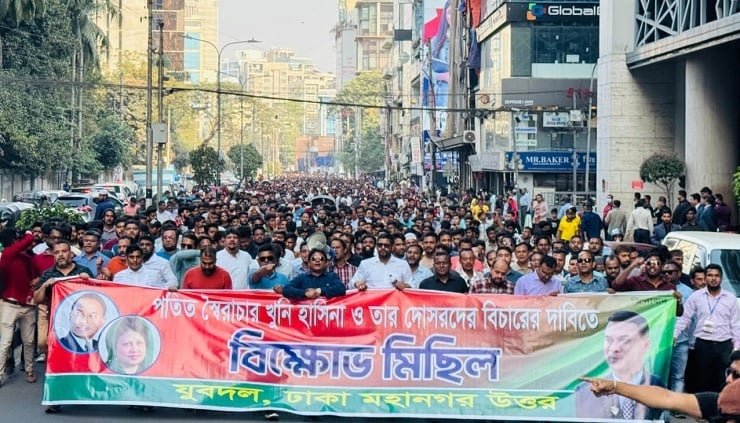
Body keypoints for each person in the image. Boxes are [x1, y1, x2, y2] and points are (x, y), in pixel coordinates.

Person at [580, 350, 740, 422]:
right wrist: (615, 387)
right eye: (729, 372)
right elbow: (666, 397)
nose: (728, 379)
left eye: (736, 375)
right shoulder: (715, 403)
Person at [575, 311, 663, 420]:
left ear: (645, 345)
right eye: (609, 340)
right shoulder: (585, 393)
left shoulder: (660, 388)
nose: (614, 348)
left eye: (624, 340)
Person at [674, 263, 740, 393]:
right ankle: (703, 406)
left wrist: (736, 347)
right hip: (703, 345)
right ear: (705, 278)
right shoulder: (696, 296)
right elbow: (685, 318)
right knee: (701, 381)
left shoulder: (730, 298)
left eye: (717, 276)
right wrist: (675, 335)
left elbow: (736, 325)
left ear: (721, 278)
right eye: (710, 275)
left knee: (723, 381)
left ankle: (720, 405)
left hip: (724, 346)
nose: (713, 278)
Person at [0, 229, 38, 385]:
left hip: (23, 304)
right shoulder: (7, 254)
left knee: (28, 341)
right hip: (11, 304)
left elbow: (33, 280)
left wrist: (31, 293)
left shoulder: (24, 258)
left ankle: (29, 370)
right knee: (6, 342)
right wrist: (28, 234)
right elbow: (29, 239)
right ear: (13, 240)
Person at [275, 249, 346, 300]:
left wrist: (319, 291)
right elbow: (287, 289)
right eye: (314, 259)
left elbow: (341, 288)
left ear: (326, 263)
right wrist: (305, 293)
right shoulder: (302, 277)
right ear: (309, 263)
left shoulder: (332, 276)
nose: (317, 260)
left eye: (321, 259)